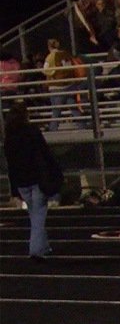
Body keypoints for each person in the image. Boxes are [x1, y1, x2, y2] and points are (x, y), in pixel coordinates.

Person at [3, 100, 62, 259]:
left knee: (34, 214)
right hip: (36, 179)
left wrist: (14, 189)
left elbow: (11, 164)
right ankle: (35, 249)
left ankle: (44, 246)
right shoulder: (32, 131)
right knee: (38, 216)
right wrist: (55, 172)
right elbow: (44, 153)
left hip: (22, 181)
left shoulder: (9, 136)